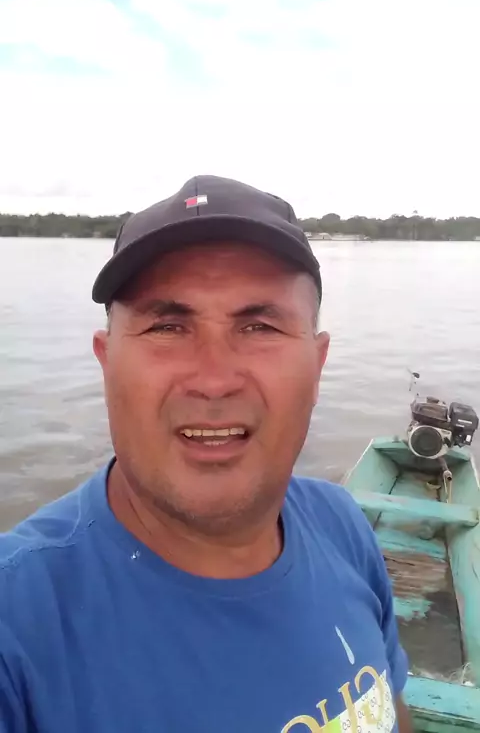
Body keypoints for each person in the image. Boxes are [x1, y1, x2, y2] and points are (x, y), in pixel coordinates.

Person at [0, 175, 411, 733]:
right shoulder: (19, 623)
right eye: (167, 327)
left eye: (259, 326)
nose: (214, 381)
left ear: (317, 367)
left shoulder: (342, 525)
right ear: (106, 361)